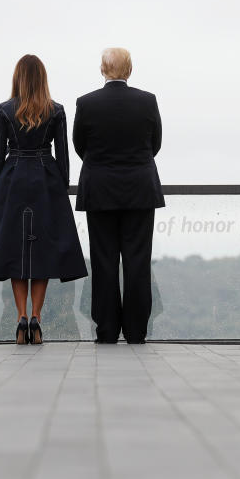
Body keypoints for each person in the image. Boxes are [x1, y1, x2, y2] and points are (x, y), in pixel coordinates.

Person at [0, 54, 87, 345]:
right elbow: (63, 155)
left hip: (13, 179)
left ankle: (20, 317)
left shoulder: (4, 110)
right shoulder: (57, 110)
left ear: (18, 77)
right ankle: (37, 318)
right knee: (42, 252)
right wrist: (61, 182)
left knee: (16, 251)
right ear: (42, 78)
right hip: (45, 179)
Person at [73, 48, 163, 344]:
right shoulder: (147, 101)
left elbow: (80, 146)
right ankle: (137, 331)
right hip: (139, 189)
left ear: (102, 69)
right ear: (130, 70)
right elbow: (155, 144)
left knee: (104, 262)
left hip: (99, 191)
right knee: (138, 262)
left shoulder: (86, 103)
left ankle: (107, 330)